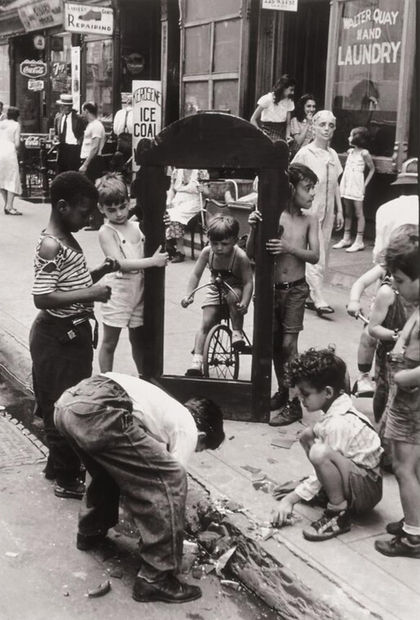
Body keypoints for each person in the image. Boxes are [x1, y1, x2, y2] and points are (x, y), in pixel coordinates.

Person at [54, 371, 225, 603]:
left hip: (69, 404)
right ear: (202, 434)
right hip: (99, 410)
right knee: (172, 478)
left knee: (106, 470)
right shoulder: (188, 427)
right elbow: (171, 481)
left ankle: (90, 532)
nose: (195, 449)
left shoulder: (163, 407)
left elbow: (140, 464)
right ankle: (155, 579)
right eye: (200, 448)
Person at [29, 171, 118, 500]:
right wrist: (92, 294)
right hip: (58, 338)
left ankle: (57, 467)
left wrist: (98, 273)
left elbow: (68, 284)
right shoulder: (52, 244)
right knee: (63, 407)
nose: (90, 218)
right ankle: (66, 478)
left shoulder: (65, 239)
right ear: (62, 206)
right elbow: (42, 297)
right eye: (84, 212)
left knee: (64, 401)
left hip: (71, 335)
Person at [271, 348, 383, 541]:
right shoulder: (335, 406)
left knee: (319, 453)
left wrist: (291, 499)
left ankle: (338, 512)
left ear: (328, 392)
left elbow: (324, 458)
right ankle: (329, 491)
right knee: (307, 435)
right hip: (355, 476)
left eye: (305, 395)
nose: (301, 400)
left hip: (367, 491)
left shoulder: (338, 423)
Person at [247, 163, 320, 425]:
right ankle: (283, 389)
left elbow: (314, 255)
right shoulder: (272, 215)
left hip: (296, 290)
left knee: (290, 345)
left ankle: (295, 402)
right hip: (271, 290)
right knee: (275, 345)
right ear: (291, 189)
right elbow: (251, 254)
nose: (312, 194)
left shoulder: (309, 220)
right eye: (307, 188)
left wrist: (289, 248)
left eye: (313, 189)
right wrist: (254, 226)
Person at [347, 158, 418, 396]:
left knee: (369, 333)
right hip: (397, 276)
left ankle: (365, 376)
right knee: (375, 330)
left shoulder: (385, 209)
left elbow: (378, 254)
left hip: (392, 273)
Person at [375, 230, 420, 559]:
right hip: (405, 398)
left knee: (403, 468)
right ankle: (413, 520)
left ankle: (414, 538)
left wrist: (403, 376)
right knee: (412, 468)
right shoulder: (416, 305)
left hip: (411, 399)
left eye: (402, 280)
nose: (398, 288)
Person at [96, 173, 168, 375]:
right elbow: (118, 263)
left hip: (139, 292)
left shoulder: (136, 226)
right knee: (110, 341)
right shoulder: (106, 231)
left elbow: (156, 238)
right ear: (101, 208)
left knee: (138, 341)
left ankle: (143, 378)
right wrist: (152, 262)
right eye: (111, 210)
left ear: (129, 203)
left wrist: (163, 221)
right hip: (118, 293)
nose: (119, 214)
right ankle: (106, 379)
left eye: (122, 207)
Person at [182, 215, 253, 376]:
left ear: (234, 241)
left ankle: (236, 332)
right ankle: (197, 361)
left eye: (224, 244)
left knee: (233, 298)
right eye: (215, 243)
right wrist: (189, 295)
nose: (219, 248)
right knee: (206, 322)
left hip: (234, 287)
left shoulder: (240, 257)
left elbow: (248, 282)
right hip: (215, 288)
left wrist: (245, 302)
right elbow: (195, 274)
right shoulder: (208, 253)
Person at [292, 110, 344, 316]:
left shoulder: (332, 155)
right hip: (311, 208)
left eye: (330, 125)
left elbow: (335, 185)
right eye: (322, 124)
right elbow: (293, 179)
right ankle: (319, 298)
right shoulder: (306, 153)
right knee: (316, 251)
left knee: (325, 251)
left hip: (328, 209)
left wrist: (340, 210)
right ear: (313, 127)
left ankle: (308, 294)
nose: (326, 129)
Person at [333, 127, 375, 252]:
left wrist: (365, 185)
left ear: (358, 138)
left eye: (351, 136)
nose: (348, 138)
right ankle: (346, 238)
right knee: (347, 212)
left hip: (357, 185)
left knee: (358, 213)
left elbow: (372, 169)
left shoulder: (365, 153)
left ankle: (359, 241)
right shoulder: (350, 151)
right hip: (347, 183)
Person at [165, 168, 209, 263]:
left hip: (194, 202)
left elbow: (207, 192)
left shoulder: (200, 171)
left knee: (175, 215)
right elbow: (172, 189)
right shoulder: (177, 171)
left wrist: (203, 190)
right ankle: (169, 246)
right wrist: (168, 201)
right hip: (177, 201)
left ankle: (180, 251)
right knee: (165, 213)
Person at [79, 101, 107, 230]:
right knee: (87, 190)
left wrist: (86, 164)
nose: (82, 114)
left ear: (86, 111)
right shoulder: (92, 125)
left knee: (92, 191)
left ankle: (96, 220)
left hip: (93, 161)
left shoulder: (96, 126)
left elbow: (95, 146)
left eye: (83, 111)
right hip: (90, 160)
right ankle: (91, 218)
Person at [250, 74, 295, 142]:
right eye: (291, 90)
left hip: (281, 134)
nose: (292, 92)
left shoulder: (289, 101)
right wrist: (261, 134)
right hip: (267, 133)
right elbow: (253, 119)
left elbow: (288, 123)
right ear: (283, 88)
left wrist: (288, 136)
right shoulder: (268, 99)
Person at [54, 93, 86, 173]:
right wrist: (55, 139)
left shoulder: (79, 119)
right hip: (61, 149)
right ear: (61, 106)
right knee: (61, 172)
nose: (67, 108)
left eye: (69, 106)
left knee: (73, 173)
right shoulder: (58, 118)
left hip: (74, 149)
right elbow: (56, 134)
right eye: (64, 106)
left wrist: (80, 141)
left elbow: (85, 132)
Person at [0, 106, 22, 216]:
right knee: (12, 178)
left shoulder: (1, 123)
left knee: (2, 178)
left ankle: (6, 205)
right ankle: (9, 206)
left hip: (0, 150)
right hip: (9, 152)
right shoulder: (16, 125)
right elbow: (17, 143)